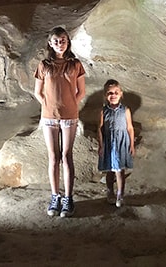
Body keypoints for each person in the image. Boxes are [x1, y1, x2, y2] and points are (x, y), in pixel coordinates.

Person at [34, 26, 86, 218]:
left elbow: (81, 91)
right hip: (49, 117)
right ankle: (55, 196)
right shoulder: (44, 65)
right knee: (53, 157)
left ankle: (69, 198)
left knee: (66, 156)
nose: (59, 44)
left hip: (69, 116)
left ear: (68, 42)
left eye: (63, 40)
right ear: (50, 43)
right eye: (56, 41)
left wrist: (70, 105)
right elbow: (38, 92)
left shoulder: (75, 64)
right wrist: (49, 106)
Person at [97, 79, 135, 207]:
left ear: (121, 94)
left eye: (116, 92)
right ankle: (110, 191)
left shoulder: (125, 110)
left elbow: (130, 127)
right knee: (109, 170)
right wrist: (101, 145)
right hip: (109, 142)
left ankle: (120, 194)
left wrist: (131, 145)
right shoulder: (104, 111)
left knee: (119, 170)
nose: (113, 95)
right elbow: (100, 128)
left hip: (121, 142)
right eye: (110, 93)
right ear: (105, 95)